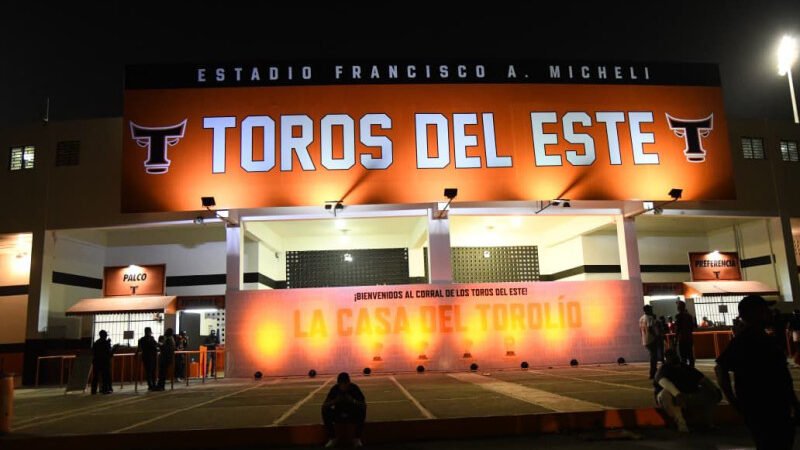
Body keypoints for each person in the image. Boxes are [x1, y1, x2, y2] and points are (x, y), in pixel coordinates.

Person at [715, 295, 800, 450]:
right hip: (764, 406)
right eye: (764, 310)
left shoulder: (762, 337)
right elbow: (721, 368)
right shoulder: (746, 340)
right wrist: (733, 399)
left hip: (773, 404)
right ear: (753, 313)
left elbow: (782, 375)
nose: (769, 313)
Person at [654, 349, 721, 432]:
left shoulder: (685, 367)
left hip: (687, 395)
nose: (673, 357)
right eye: (670, 355)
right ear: (666, 358)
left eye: (674, 354)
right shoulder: (663, 369)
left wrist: (715, 390)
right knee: (664, 394)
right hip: (674, 399)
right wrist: (677, 394)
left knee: (710, 392)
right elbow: (663, 381)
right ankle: (681, 424)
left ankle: (708, 423)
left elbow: (703, 379)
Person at [322, 372, 366, 448]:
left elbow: (363, 405)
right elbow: (325, 405)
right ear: (338, 384)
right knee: (325, 410)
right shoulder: (335, 389)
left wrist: (352, 400)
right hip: (338, 414)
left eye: (346, 384)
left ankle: (357, 438)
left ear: (349, 383)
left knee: (362, 409)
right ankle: (332, 438)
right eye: (342, 384)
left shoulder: (354, 388)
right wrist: (335, 401)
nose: (344, 386)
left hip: (352, 414)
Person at [639, 305, 659, 379]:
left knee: (652, 356)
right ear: (648, 310)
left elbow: (640, 330)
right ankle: (652, 373)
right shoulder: (650, 318)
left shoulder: (641, 318)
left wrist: (643, 337)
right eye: (651, 309)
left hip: (645, 340)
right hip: (651, 339)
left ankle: (654, 371)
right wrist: (656, 336)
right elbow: (650, 328)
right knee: (654, 357)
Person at [674, 301, 696, 367]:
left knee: (683, 355)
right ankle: (692, 369)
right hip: (689, 337)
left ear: (679, 308)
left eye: (678, 306)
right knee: (690, 354)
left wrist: (675, 339)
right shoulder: (689, 316)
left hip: (682, 338)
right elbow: (692, 327)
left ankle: (684, 369)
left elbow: (678, 329)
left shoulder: (678, 316)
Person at [91, 330, 113, 395]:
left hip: (96, 361)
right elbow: (109, 352)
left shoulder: (96, 343)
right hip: (104, 361)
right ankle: (105, 390)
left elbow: (93, 352)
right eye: (106, 335)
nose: (106, 336)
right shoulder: (106, 343)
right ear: (104, 335)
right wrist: (109, 344)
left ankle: (93, 390)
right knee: (105, 376)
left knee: (95, 376)